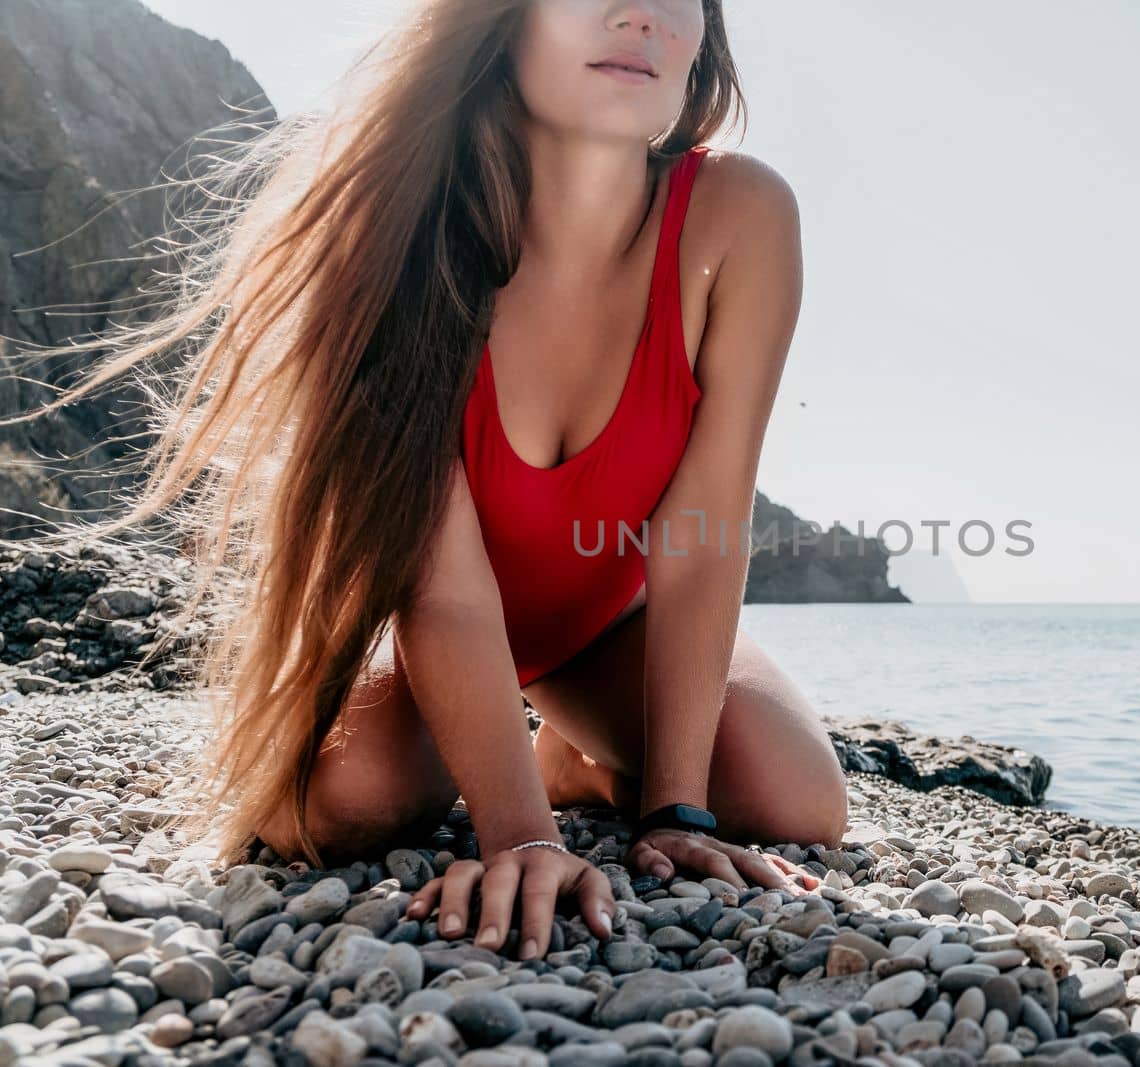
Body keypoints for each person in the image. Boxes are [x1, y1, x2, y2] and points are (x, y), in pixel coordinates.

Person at [1, 0, 848, 964]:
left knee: (796, 801)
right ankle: (523, 759)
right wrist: (519, 837)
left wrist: (675, 808)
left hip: (606, 624)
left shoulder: (742, 215)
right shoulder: (399, 220)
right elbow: (439, 581)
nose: (641, 15)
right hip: (421, 624)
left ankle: (575, 755)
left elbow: (705, 524)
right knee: (339, 809)